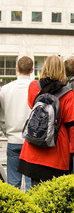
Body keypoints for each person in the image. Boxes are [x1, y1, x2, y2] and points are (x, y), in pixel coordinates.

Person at [17, 55, 74, 187]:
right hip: (56, 149)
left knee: (34, 192)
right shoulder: (67, 93)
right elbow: (70, 122)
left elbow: (31, 105)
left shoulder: (34, 86)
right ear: (62, 70)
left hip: (34, 146)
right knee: (54, 194)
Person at [0, 56, 34, 192]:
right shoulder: (36, 87)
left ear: (16, 69)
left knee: (13, 185)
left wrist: (6, 130)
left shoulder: (6, 89)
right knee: (31, 186)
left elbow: (2, 116)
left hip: (13, 139)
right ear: (32, 70)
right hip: (31, 141)